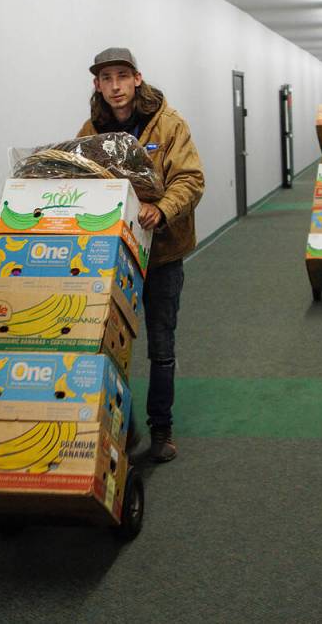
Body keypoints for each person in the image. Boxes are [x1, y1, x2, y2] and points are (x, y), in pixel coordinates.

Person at [77, 47, 204, 463]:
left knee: (161, 345)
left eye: (122, 76)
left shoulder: (168, 124)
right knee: (109, 345)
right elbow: (78, 179)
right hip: (112, 254)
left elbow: (190, 179)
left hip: (162, 253)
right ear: (97, 84)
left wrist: (162, 209)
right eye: (106, 78)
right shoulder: (90, 131)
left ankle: (161, 429)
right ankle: (121, 426)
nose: (115, 86)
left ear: (137, 79)